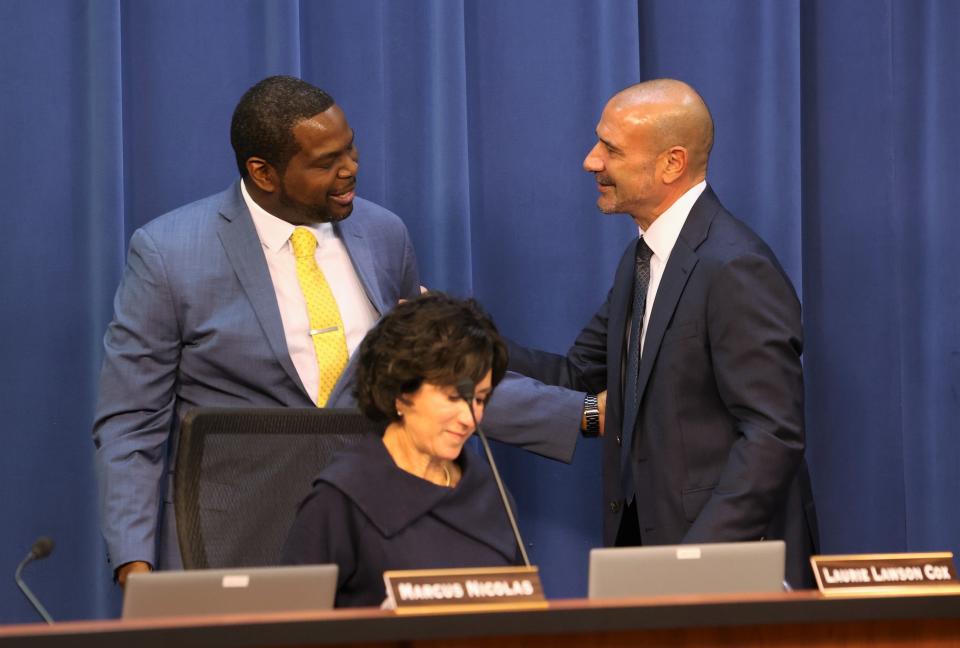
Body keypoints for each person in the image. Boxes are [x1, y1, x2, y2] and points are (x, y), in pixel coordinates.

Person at [93, 76, 585, 587]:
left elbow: (433, 379)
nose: (350, 169)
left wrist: (587, 415)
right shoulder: (169, 253)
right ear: (264, 173)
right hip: (230, 541)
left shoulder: (383, 234)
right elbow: (131, 421)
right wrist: (135, 565)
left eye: (350, 148)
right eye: (326, 162)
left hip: (373, 529)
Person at [507, 79, 819, 588]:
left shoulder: (735, 267)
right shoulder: (640, 260)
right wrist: (467, 345)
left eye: (610, 149)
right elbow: (575, 374)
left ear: (672, 163)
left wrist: (694, 564)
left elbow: (772, 434)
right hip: (651, 554)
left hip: (725, 565)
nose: (591, 161)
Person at [283, 293, 521, 607]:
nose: (470, 418)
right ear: (400, 392)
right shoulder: (341, 498)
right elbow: (289, 627)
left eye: (479, 399)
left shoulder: (486, 489)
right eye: (454, 397)